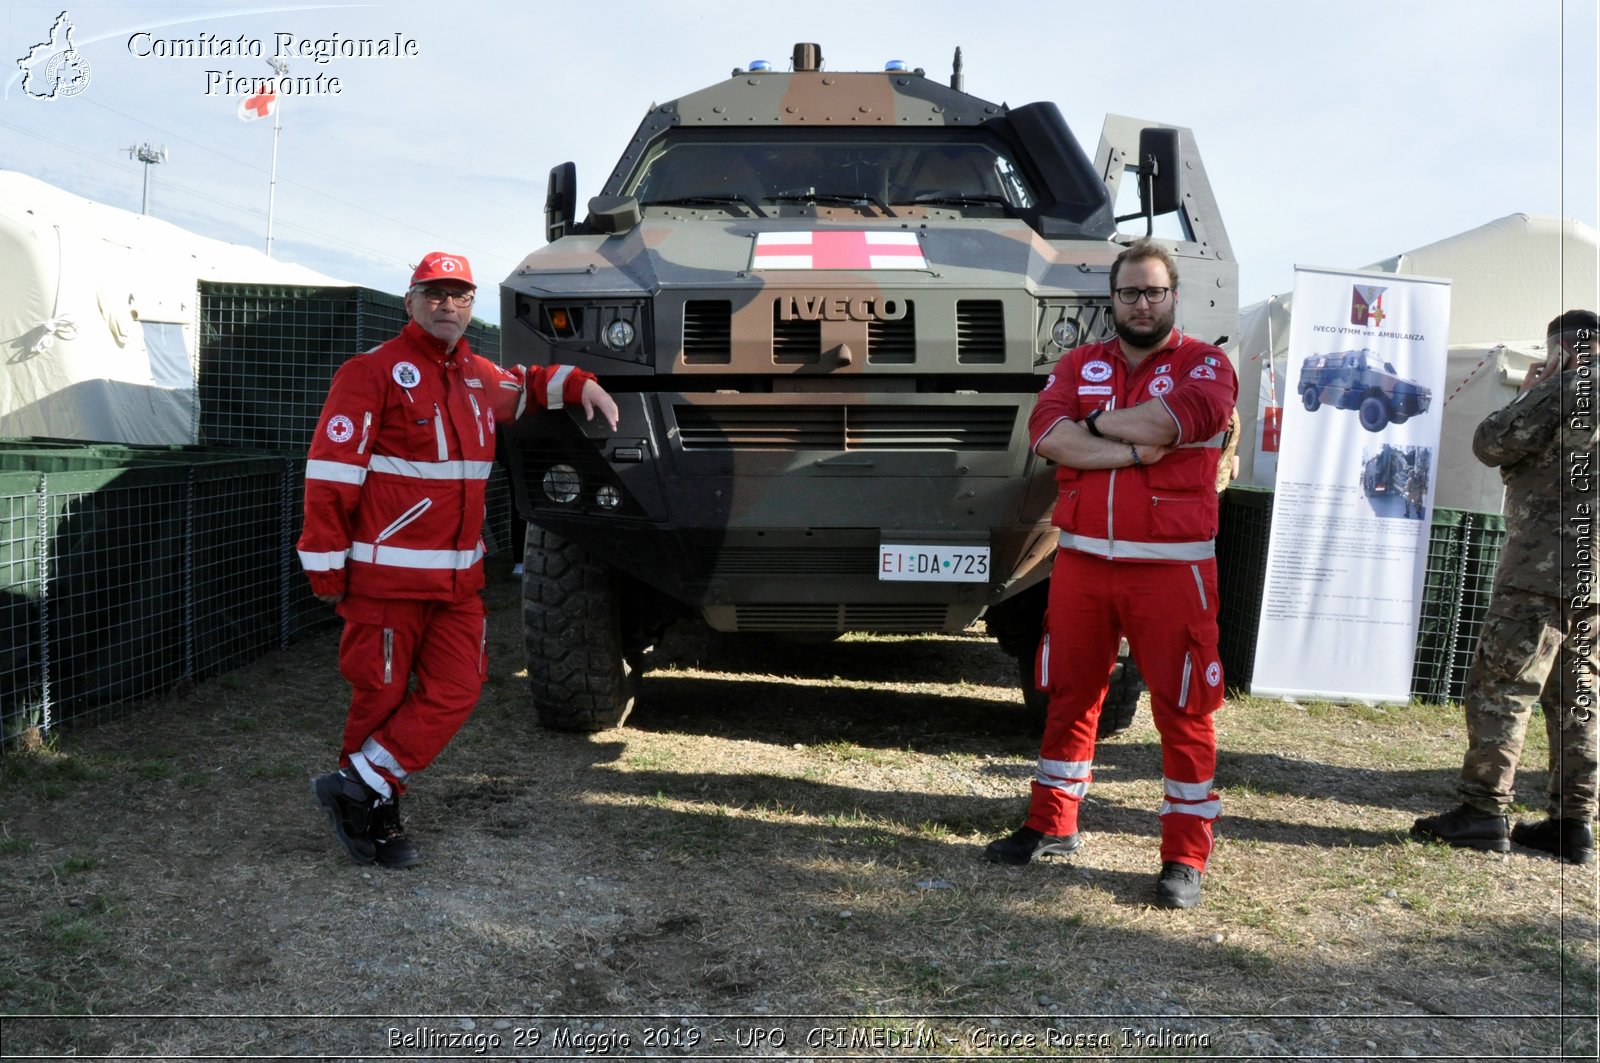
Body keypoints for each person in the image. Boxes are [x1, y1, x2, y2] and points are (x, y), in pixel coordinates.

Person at [299, 252, 619, 867]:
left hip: (456, 584)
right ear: (410, 300)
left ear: (472, 306)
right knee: (380, 698)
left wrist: (580, 384)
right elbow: (330, 474)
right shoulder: (371, 372)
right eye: (436, 293)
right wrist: (324, 561)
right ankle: (375, 812)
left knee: (458, 688)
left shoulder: (477, 375)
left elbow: (525, 386)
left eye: (461, 295)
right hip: (383, 580)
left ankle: (356, 785)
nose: (449, 305)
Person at [984, 239, 1238, 909]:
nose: (1141, 303)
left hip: (1171, 572)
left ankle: (1185, 855)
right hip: (1082, 563)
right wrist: (1132, 447)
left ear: (1173, 296)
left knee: (1183, 710)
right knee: (1069, 694)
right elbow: (1047, 435)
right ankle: (1052, 824)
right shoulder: (1078, 363)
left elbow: (1178, 417)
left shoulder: (1206, 365)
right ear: (1112, 300)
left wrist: (1092, 426)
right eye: (1129, 292)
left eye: (1154, 291)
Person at [1412, 310, 1598, 864]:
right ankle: (1573, 824)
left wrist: (1532, 392)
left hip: (1541, 572)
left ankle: (1483, 812)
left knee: (1503, 687)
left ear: (1562, 349)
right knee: (1580, 699)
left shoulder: (1567, 386)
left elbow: (1491, 442)